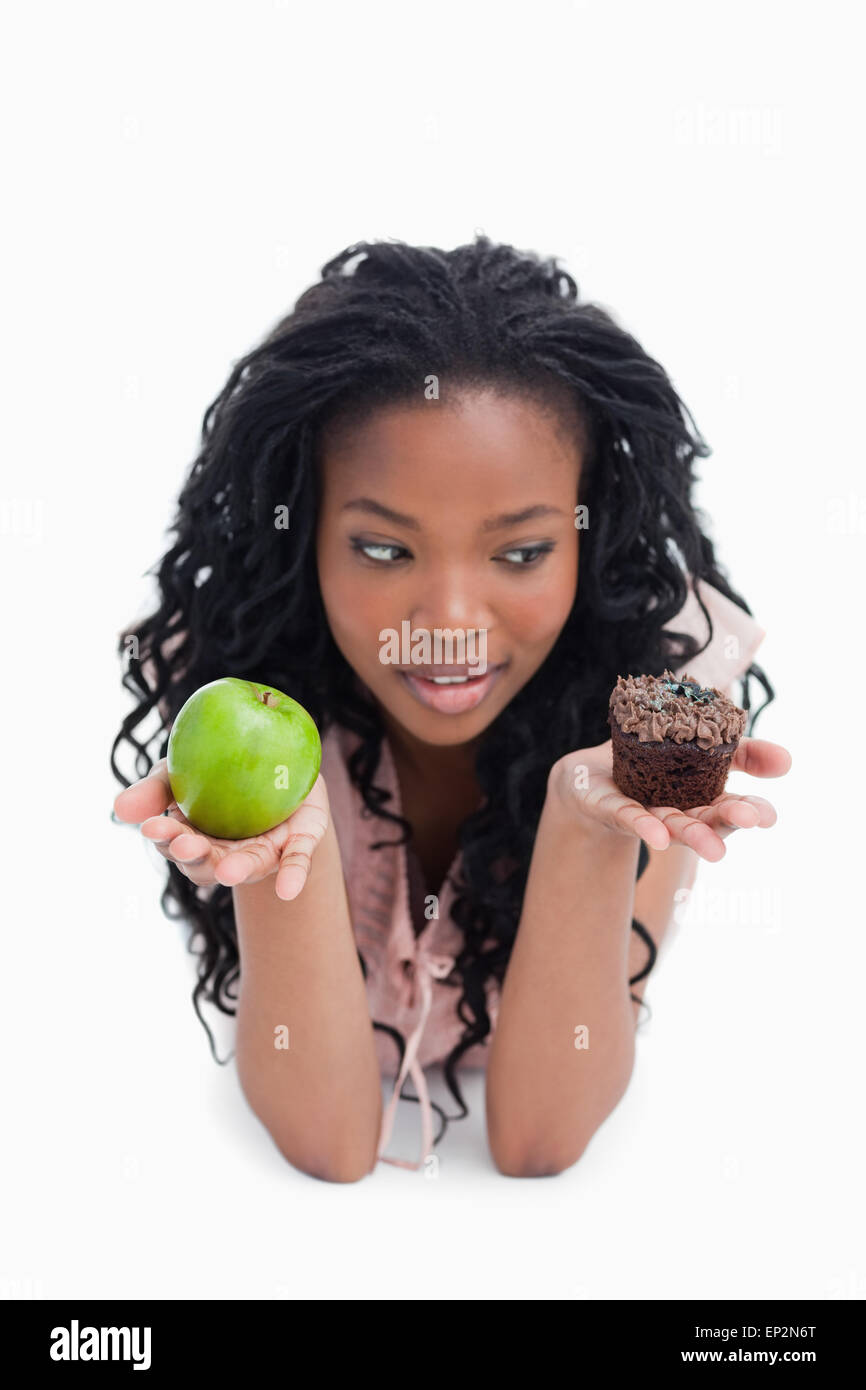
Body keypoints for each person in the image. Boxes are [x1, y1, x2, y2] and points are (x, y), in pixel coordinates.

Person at [111, 235, 791, 1182]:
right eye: (385, 550)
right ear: (307, 533)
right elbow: (332, 1147)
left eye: (520, 553)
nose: (450, 625)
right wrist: (276, 858)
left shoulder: (658, 704)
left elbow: (537, 1142)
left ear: (585, 545)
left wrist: (583, 826)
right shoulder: (238, 679)